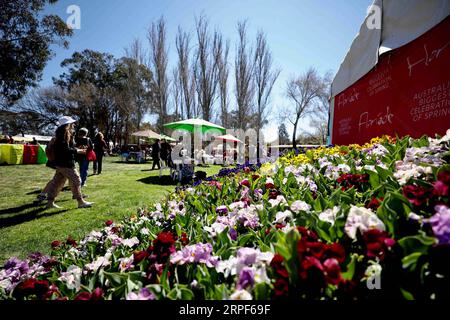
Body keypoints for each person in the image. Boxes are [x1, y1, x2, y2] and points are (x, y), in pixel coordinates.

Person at [44, 116, 93, 208]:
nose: (73, 125)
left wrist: (77, 149)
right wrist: (77, 151)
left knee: (57, 182)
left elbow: (66, 148)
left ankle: (50, 203)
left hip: (62, 163)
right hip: (65, 163)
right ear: (67, 125)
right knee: (76, 180)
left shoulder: (63, 134)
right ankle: (80, 202)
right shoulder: (63, 134)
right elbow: (64, 149)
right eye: (71, 123)